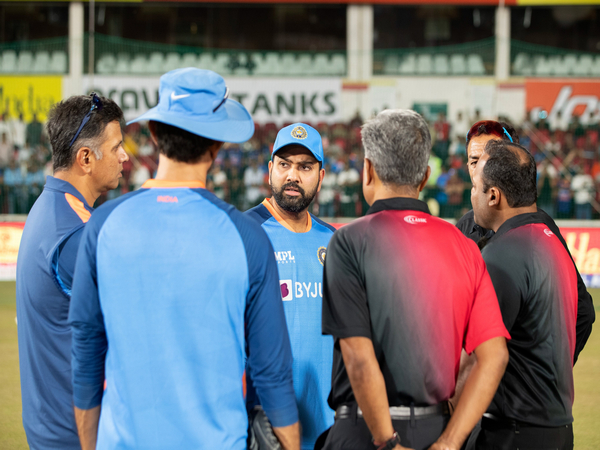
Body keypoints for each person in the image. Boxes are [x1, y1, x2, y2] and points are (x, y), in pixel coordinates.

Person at [69, 68, 300, 450]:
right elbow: (272, 374)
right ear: (218, 144)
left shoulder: (103, 227)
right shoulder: (248, 238)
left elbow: (86, 354)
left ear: (155, 134)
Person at [321, 109, 510, 450]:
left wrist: (389, 443)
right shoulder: (464, 246)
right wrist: (451, 442)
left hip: (365, 432)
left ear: (367, 170)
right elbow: (494, 355)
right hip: (434, 430)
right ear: (424, 177)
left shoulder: (349, 242)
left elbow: (359, 359)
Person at [16, 93, 128, 449]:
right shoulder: (76, 234)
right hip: (76, 435)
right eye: (116, 147)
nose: (125, 156)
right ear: (86, 158)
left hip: (51, 426)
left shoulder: (51, 206)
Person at [470, 139, 579, 449]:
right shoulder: (551, 241)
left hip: (514, 432)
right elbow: (583, 317)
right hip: (557, 426)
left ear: (493, 196)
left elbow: (475, 359)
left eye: (476, 187)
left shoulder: (500, 255)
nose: (472, 195)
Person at [456, 120, 594, 365]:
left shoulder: (539, 229)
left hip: (519, 398)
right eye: (474, 161)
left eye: (491, 159)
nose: (480, 169)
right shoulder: (463, 230)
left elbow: (583, 311)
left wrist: (550, 375)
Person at [246, 123, 336, 450]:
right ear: (270, 170)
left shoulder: (335, 242)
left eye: (305, 167)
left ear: (321, 176)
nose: (293, 176)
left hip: (327, 425)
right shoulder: (244, 233)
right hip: (264, 427)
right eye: (284, 165)